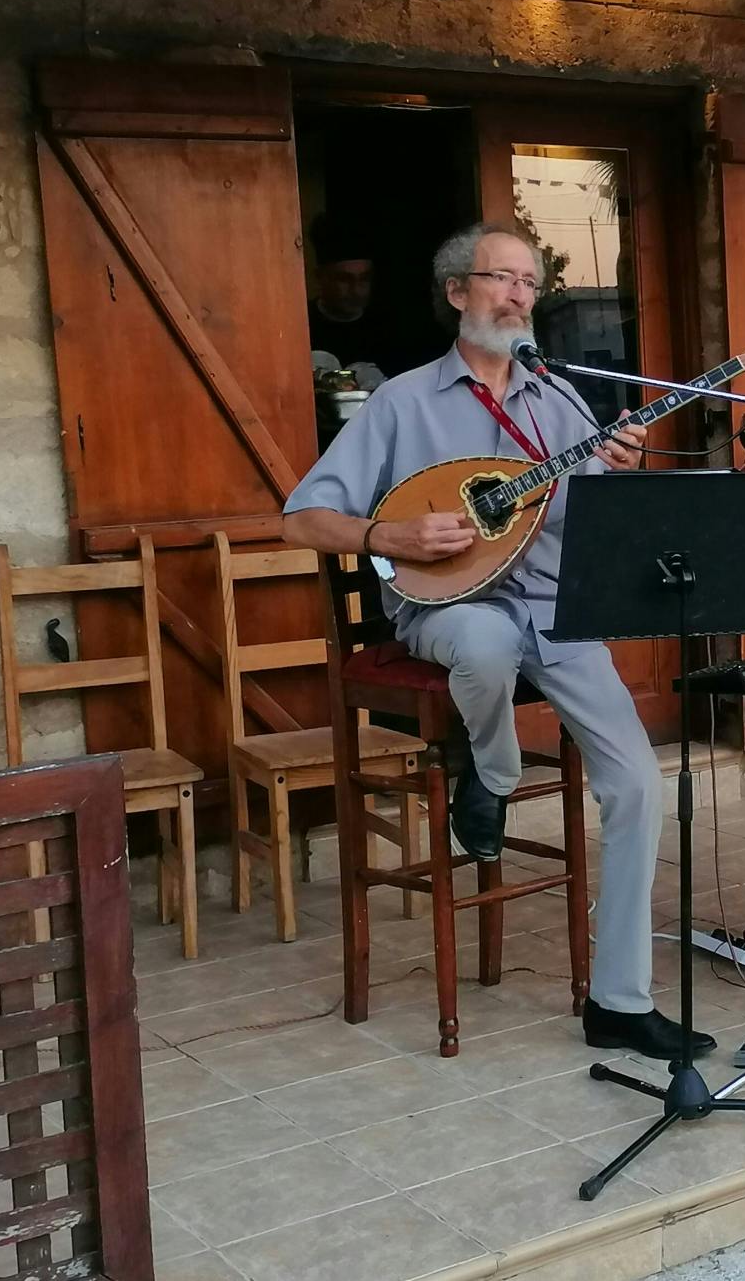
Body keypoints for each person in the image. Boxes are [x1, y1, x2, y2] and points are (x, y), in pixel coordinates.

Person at [282, 222, 711, 1063]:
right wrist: (391, 535)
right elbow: (301, 517)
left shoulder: (559, 401)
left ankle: (620, 1001)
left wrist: (613, 467)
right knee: (482, 640)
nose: (520, 296)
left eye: (529, 282)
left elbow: (588, 524)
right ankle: (491, 768)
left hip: (557, 612)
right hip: (448, 605)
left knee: (637, 786)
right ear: (456, 294)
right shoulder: (402, 402)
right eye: (501, 279)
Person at [305, 216, 390, 385]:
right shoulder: (300, 326)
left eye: (364, 279)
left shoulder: (389, 329)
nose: (356, 290)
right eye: (344, 279)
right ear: (320, 277)